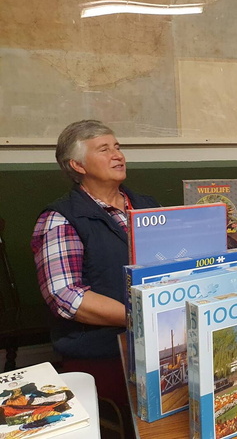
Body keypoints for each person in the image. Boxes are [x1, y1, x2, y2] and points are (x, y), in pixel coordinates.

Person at [30, 120, 159, 433]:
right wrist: (143, 317)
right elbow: (66, 297)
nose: (118, 155)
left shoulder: (147, 206)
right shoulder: (61, 219)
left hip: (163, 342)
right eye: (104, 149)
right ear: (78, 165)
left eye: (117, 147)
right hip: (105, 351)